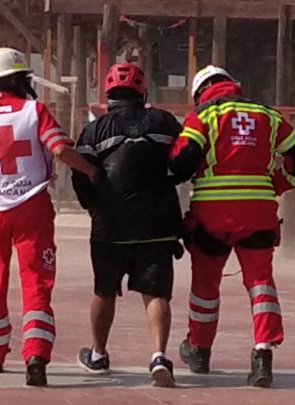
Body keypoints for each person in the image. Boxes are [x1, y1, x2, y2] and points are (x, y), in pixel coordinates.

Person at [0, 48, 99, 387]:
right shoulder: (34, 111)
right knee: (37, 281)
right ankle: (36, 355)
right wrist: (92, 171)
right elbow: (59, 149)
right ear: (20, 80)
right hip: (32, 206)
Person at [169, 65, 295, 387]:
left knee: (205, 289)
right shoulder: (268, 116)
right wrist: (277, 184)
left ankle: (199, 350)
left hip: (211, 218)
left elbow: (181, 162)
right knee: (260, 283)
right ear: (233, 85)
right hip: (259, 214)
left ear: (199, 93)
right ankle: (263, 353)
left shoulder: (204, 116)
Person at [71, 62, 184, 387]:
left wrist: (93, 206)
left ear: (108, 95)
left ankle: (98, 354)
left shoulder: (95, 130)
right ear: (142, 92)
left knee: (104, 291)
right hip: (157, 223)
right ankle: (158, 356)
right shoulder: (164, 121)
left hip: (110, 225)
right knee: (156, 293)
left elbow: (79, 172)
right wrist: (172, 180)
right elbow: (185, 156)